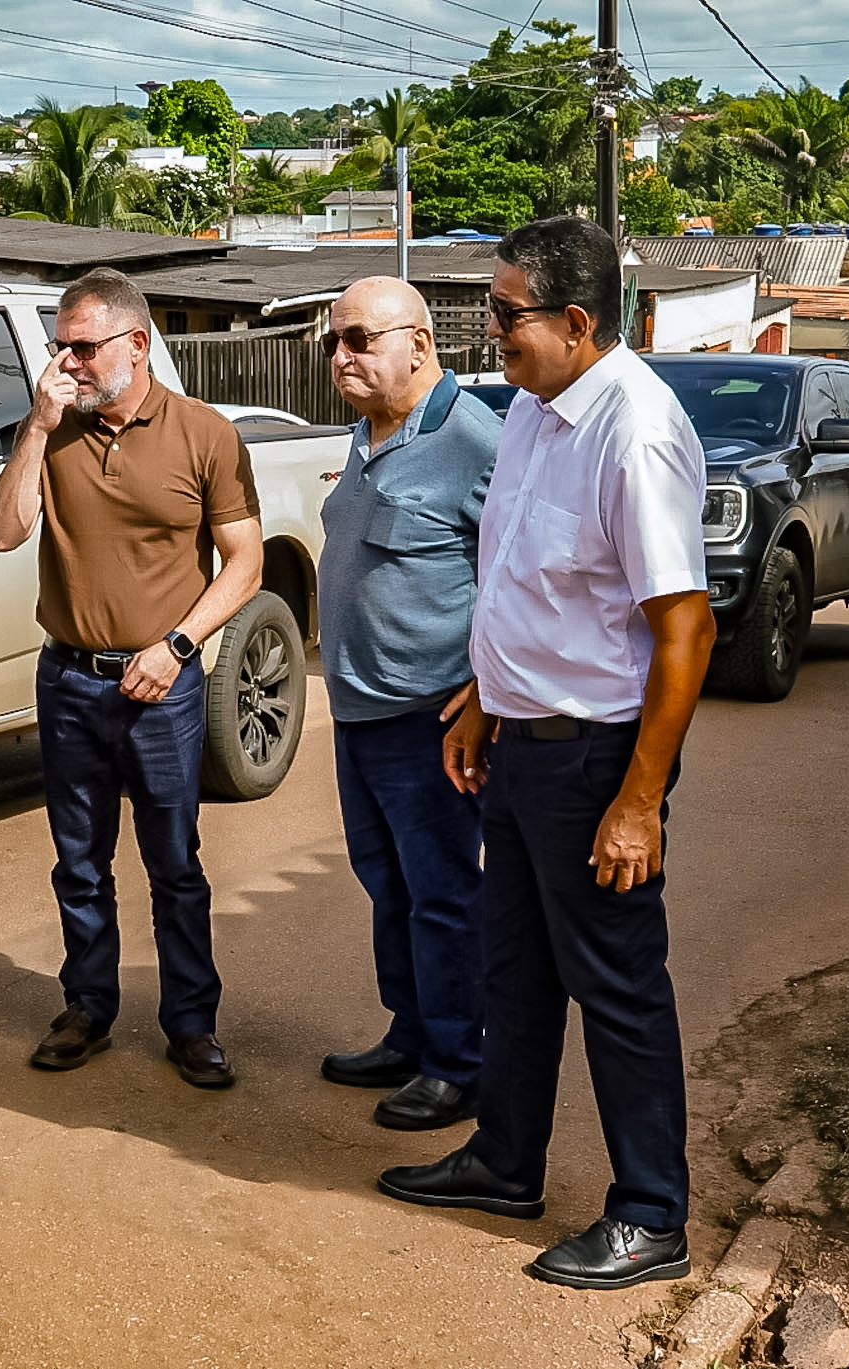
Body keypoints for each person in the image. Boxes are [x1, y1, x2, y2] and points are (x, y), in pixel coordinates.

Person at [375, 216, 717, 1293]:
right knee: (513, 971)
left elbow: (684, 629)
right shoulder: (531, 408)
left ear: (575, 321)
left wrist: (639, 800)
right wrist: (487, 699)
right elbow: (532, 581)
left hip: (596, 760)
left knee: (615, 983)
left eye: (504, 311)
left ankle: (650, 1212)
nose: (490, 330)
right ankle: (504, 1158)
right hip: (522, 745)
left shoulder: (634, 432)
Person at [0, 267, 263, 1089]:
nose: (66, 362)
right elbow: (3, 532)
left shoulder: (204, 434)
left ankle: (192, 1024)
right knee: (79, 862)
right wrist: (37, 428)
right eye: (59, 347)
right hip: (69, 680)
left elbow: (244, 563)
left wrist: (177, 645)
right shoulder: (52, 430)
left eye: (82, 347)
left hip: (162, 684)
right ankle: (88, 1007)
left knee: (174, 862)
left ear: (136, 344)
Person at [315, 275, 502, 1132]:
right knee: (387, 883)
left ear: (419, 344)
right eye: (334, 340)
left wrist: (487, 688)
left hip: (432, 721)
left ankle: (458, 1063)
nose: (340, 355)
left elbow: (521, 574)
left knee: (442, 893)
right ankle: (412, 1029)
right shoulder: (368, 432)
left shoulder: (472, 438)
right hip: (360, 715)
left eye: (359, 339)